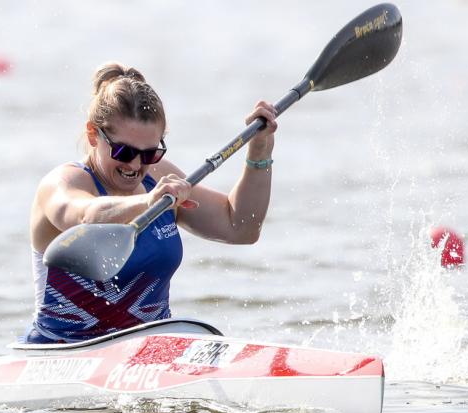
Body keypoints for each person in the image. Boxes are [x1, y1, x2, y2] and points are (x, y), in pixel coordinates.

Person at [24, 62, 278, 343]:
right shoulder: (61, 184)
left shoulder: (159, 177)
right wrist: (150, 201)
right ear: (93, 135)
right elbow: (86, 216)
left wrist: (259, 152)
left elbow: (240, 227)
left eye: (149, 154)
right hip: (63, 351)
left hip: (152, 351)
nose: (135, 165)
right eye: (123, 151)